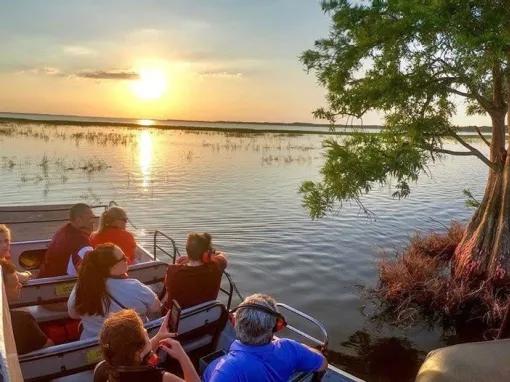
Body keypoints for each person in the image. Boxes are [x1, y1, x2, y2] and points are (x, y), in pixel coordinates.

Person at [203, 293, 328, 381]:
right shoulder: (290, 348)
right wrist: (302, 348)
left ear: (235, 323)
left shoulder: (227, 370)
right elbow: (323, 363)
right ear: (275, 327)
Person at [68, 243, 161, 339]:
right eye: (123, 258)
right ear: (112, 267)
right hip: (129, 345)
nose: (128, 260)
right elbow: (156, 308)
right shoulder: (135, 287)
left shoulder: (81, 286)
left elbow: (73, 314)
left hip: (91, 347)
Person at [99, 309, 200, 382]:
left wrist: (158, 338)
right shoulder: (161, 378)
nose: (146, 331)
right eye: (145, 333)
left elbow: (137, 355)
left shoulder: (109, 369)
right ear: (137, 353)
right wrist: (182, 356)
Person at [1, 259, 53, 354]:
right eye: (15, 285)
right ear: (2, 290)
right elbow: (47, 345)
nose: (20, 285)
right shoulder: (23, 320)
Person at [164, 233, 227, 310]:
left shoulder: (172, 271)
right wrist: (208, 255)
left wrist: (189, 258)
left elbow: (168, 290)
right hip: (207, 318)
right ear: (207, 254)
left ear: (187, 250)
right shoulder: (216, 266)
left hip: (180, 320)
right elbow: (222, 255)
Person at [38, 203, 95, 278]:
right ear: (78, 220)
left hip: (45, 279)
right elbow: (90, 273)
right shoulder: (82, 243)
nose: (93, 221)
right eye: (90, 219)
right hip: (59, 285)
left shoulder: (63, 231)